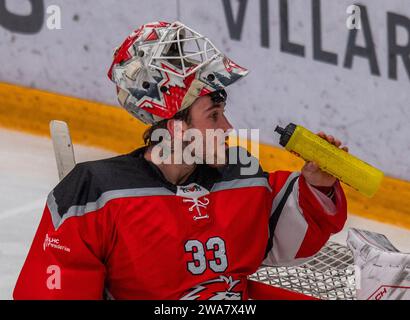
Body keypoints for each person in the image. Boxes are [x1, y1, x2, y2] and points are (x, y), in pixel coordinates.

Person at [13, 21, 348, 300]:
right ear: (174, 127)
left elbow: (288, 236)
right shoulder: (95, 195)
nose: (228, 128)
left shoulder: (241, 176)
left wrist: (318, 184)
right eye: (213, 116)